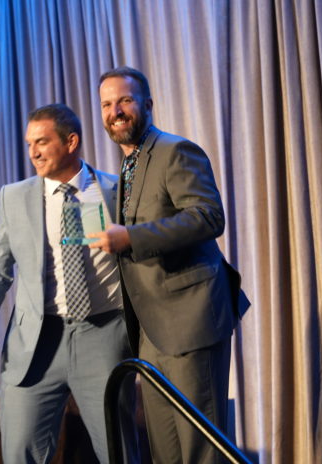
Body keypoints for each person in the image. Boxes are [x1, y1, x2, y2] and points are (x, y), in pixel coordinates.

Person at [90, 66, 250, 463]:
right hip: (152, 331)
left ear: (146, 104)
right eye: (107, 104)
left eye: (125, 100)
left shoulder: (174, 151)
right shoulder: (127, 167)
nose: (116, 111)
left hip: (191, 322)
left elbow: (209, 216)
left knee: (202, 450)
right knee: (166, 453)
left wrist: (132, 238)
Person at [0, 103, 138, 463]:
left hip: (103, 335)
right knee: (20, 451)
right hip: (36, 342)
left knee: (117, 451)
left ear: (71, 142)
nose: (33, 153)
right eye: (30, 144)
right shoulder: (15, 197)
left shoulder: (114, 191)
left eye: (42, 142)